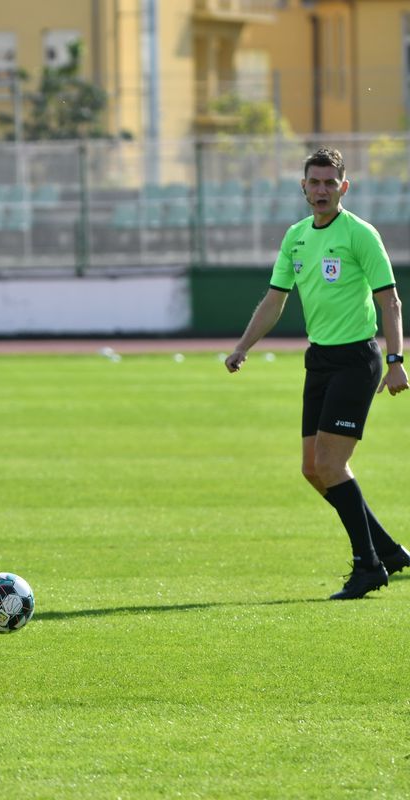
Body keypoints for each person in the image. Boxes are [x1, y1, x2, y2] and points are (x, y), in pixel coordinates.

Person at [225, 147, 409, 600]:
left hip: (357, 360)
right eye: (314, 182)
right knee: (313, 469)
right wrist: (243, 346)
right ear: (303, 187)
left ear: (344, 187)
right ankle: (388, 551)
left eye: (330, 182)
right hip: (320, 360)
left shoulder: (360, 234)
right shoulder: (296, 237)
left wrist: (395, 360)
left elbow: (389, 300)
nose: (322, 190)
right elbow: (275, 299)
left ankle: (368, 566)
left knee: (331, 464)